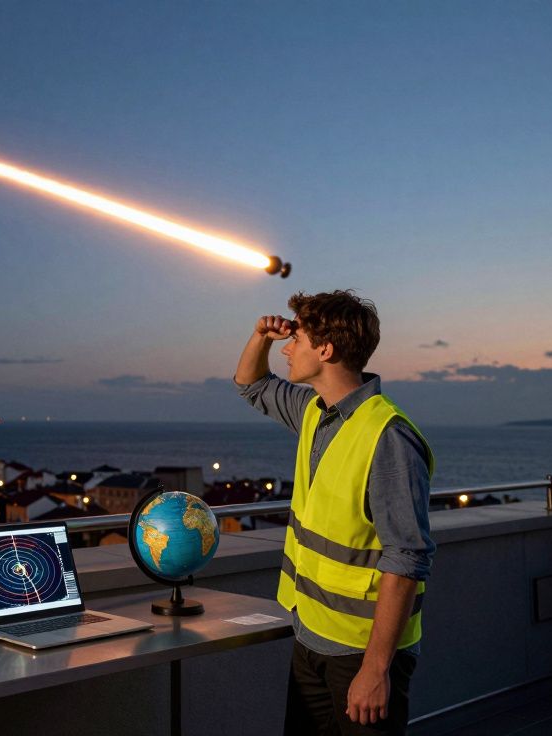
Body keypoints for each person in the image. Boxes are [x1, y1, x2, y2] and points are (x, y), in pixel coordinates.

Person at [233, 290, 435, 735]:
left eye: (296, 338)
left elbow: (406, 561)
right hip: (310, 636)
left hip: (362, 655)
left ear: (325, 350)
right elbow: (251, 384)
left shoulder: (388, 438)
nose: (287, 348)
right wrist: (259, 336)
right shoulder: (313, 412)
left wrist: (376, 670)